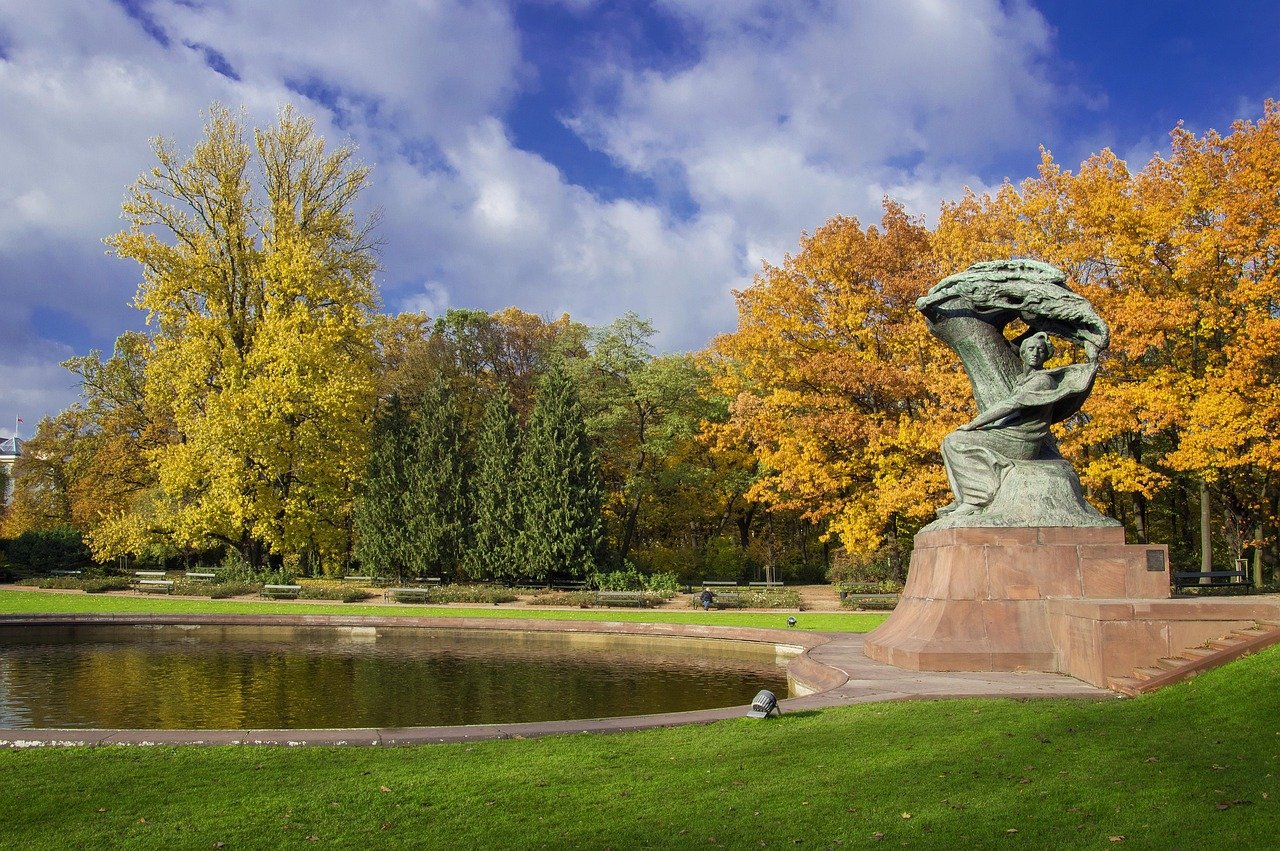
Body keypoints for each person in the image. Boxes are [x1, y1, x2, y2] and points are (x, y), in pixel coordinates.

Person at [938, 332, 1097, 517]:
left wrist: (973, 424)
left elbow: (1010, 405)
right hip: (1011, 433)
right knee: (948, 443)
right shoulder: (1023, 379)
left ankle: (976, 499)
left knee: (954, 441)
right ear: (1022, 353)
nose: (1035, 353)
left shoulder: (1042, 381)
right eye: (1031, 349)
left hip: (1021, 442)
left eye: (1040, 350)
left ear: (1046, 355)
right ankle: (962, 498)